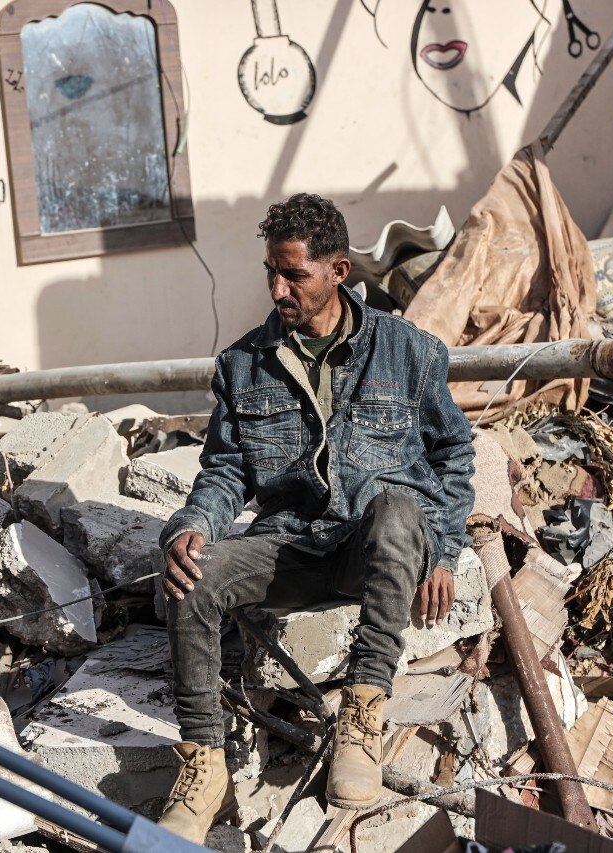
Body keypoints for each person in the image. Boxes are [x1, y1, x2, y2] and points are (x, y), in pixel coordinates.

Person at [156, 193, 475, 843]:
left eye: (293, 274)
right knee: (193, 573)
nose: (277, 288)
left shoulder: (410, 352)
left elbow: (454, 453)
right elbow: (226, 471)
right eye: (270, 272)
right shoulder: (246, 366)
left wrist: (442, 550)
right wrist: (192, 524)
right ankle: (205, 764)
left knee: (395, 508)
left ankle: (361, 717)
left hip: (376, 547)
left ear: (338, 272)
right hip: (291, 546)